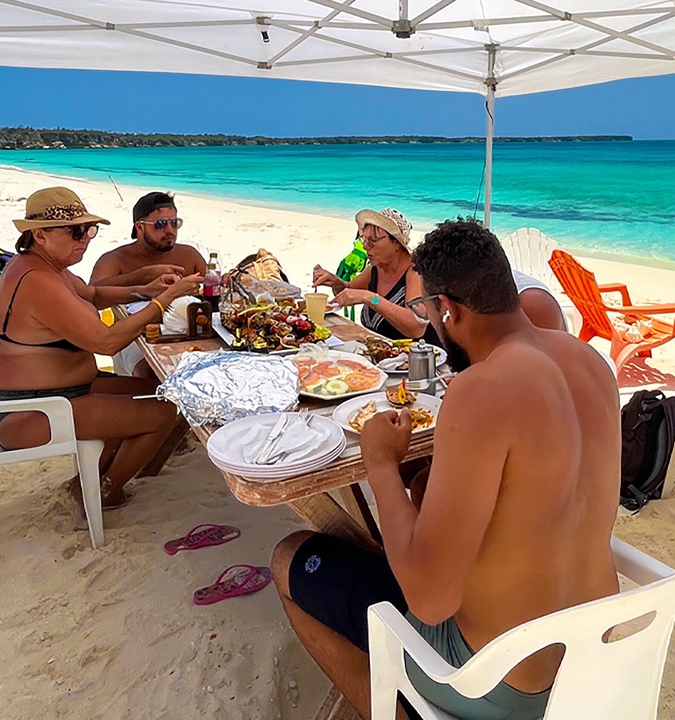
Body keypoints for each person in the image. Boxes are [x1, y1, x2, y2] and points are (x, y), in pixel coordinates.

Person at [273, 219, 621, 720]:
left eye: (427, 311)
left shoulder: (481, 388)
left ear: (448, 311)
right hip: (594, 657)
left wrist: (379, 462)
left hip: (499, 683)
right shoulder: (589, 362)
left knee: (289, 558)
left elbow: (430, 599)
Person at [0, 187, 202, 508]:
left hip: (61, 392)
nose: (85, 238)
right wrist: (163, 300)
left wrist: (144, 289)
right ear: (40, 235)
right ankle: (106, 492)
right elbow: (107, 341)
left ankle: (89, 481)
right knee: (165, 411)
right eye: (75, 231)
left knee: (157, 389)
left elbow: (93, 296)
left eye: (89, 230)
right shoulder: (36, 280)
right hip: (30, 412)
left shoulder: (44, 266)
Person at [90, 192, 207, 376]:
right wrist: (141, 276)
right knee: (150, 372)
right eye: (160, 224)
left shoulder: (189, 256)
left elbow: (211, 291)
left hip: (188, 333)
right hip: (134, 337)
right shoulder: (115, 260)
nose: (170, 230)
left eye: (174, 223)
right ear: (139, 227)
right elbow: (93, 294)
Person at [311, 208, 427, 342]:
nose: (366, 246)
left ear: (396, 243)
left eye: (373, 240)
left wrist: (370, 298)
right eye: (364, 240)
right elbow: (348, 294)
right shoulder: (375, 269)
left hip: (416, 359)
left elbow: (416, 326)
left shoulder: (415, 273)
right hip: (380, 355)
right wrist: (335, 281)